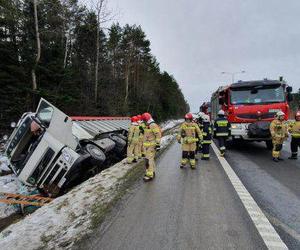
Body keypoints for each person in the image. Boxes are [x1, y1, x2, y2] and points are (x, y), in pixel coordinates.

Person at [142, 112, 161, 181]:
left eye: (144, 120)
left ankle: (149, 175)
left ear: (146, 119)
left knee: (148, 160)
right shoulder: (148, 125)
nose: (143, 122)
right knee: (150, 159)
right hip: (148, 146)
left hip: (151, 146)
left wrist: (158, 144)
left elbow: (158, 135)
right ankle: (151, 171)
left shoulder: (153, 125)